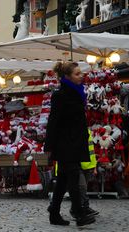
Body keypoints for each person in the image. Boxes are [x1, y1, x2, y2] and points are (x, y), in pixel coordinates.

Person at [45, 62, 95, 226]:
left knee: (63, 180)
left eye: (81, 73)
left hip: (75, 142)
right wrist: (49, 146)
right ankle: (79, 213)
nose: (81, 75)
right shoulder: (60, 95)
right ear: (67, 77)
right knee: (72, 178)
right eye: (77, 73)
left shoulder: (78, 93)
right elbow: (53, 121)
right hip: (65, 144)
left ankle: (54, 213)